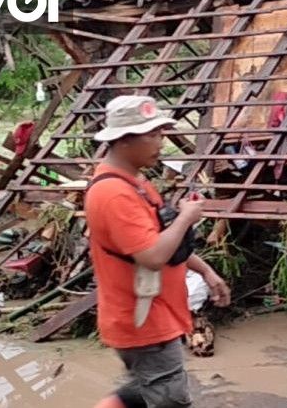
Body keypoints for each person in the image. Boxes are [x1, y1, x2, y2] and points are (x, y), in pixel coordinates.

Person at [85, 95, 231, 408]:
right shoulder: (113, 194)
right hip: (141, 318)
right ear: (124, 140)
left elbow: (159, 239)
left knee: (149, 387)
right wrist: (186, 218)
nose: (161, 143)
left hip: (154, 311)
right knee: (170, 397)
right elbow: (151, 254)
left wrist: (204, 270)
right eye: (153, 135)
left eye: (161, 133)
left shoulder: (136, 182)